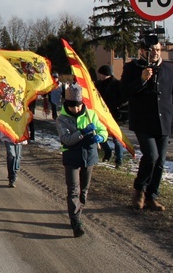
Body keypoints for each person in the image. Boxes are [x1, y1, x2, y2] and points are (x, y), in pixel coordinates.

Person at [120, 34, 173, 211]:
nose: (155, 53)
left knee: (161, 161)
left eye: (157, 49)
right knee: (151, 156)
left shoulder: (169, 69)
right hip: (142, 122)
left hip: (163, 122)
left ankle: (151, 196)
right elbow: (125, 92)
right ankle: (139, 190)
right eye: (151, 50)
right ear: (142, 51)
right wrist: (141, 80)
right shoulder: (132, 68)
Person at [56, 82, 107, 237]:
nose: (76, 109)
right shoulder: (62, 119)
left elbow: (102, 129)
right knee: (73, 190)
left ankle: (78, 211)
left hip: (89, 156)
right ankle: (76, 220)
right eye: (73, 106)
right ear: (67, 105)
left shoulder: (91, 114)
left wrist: (101, 136)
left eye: (78, 106)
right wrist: (83, 132)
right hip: (71, 157)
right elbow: (66, 139)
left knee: (83, 190)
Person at [95, 64, 125, 168]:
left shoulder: (117, 84)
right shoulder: (98, 84)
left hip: (114, 115)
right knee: (101, 135)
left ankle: (119, 159)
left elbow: (122, 98)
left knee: (117, 139)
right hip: (101, 115)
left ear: (105, 74)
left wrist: (115, 105)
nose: (100, 76)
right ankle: (107, 152)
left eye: (101, 74)